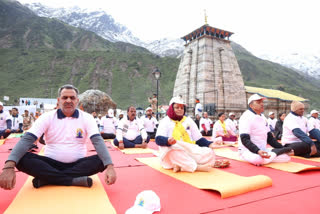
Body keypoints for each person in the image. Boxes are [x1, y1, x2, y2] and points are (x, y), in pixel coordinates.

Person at [0, 84, 116, 190]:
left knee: (103, 159)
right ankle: (73, 180)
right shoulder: (47, 117)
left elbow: (98, 141)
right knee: (20, 158)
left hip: (78, 164)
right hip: (50, 164)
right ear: (59, 100)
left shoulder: (87, 118)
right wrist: (8, 166)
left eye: (72, 98)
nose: (68, 100)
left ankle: (47, 179)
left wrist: (109, 166)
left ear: (77, 101)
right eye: (65, 97)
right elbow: (27, 139)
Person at [155, 96, 229, 173]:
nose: (180, 109)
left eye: (182, 108)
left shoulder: (188, 120)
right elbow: (158, 139)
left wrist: (210, 144)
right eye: (177, 107)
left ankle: (180, 165)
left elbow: (198, 138)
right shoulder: (165, 121)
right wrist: (167, 141)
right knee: (173, 153)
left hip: (189, 148)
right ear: (171, 109)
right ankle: (198, 167)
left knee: (209, 152)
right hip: (173, 149)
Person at [238, 94, 292, 166]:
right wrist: (257, 151)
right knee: (258, 160)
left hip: (262, 150)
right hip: (248, 150)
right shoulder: (246, 117)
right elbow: (244, 139)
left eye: (262, 102)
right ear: (251, 105)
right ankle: (275, 153)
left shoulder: (263, 117)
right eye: (258, 102)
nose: (262, 104)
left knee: (286, 157)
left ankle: (274, 153)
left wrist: (282, 148)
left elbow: (270, 138)